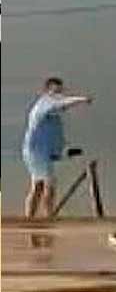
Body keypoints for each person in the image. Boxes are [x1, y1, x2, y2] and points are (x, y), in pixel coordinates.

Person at [22, 77, 93, 219]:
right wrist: (82, 100)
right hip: (36, 152)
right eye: (56, 90)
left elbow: (55, 138)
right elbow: (61, 104)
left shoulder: (54, 117)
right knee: (49, 184)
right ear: (47, 91)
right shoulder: (44, 104)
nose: (60, 94)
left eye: (61, 91)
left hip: (41, 152)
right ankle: (48, 217)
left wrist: (65, 152)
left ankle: (31, 217)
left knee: (38, 185)